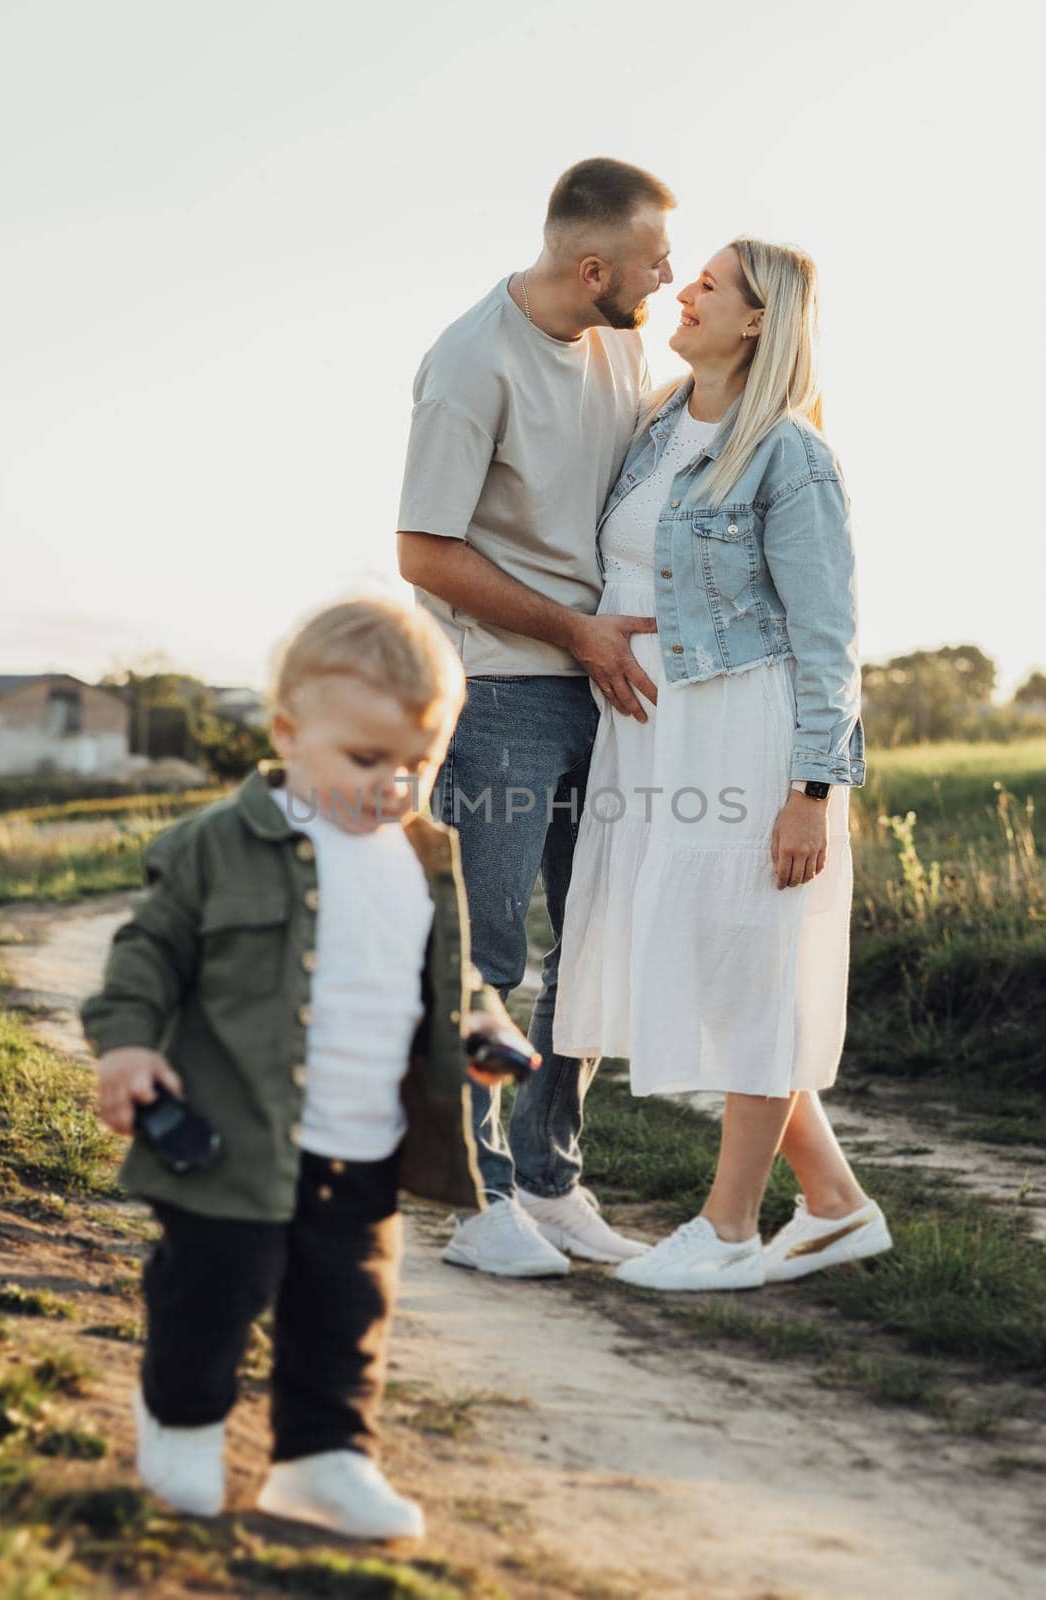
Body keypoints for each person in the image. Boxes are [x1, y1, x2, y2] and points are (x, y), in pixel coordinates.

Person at [80, 597, 537, 1538]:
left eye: (420, 763)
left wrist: (482, 1028)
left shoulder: (419, 860)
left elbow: (451, 980)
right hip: (232, 1140)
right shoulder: (220, 844)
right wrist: (126, 1045)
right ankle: (182, 1424)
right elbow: (147, 951)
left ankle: (323, 1459)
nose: (393, 787)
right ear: (288, 732)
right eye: (365, 760)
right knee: (213, 1291)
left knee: (346, 1308)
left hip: (362, 1142)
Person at [552, 239, 893, 1291]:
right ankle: (834, 1205)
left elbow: (827, 639)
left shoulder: (789, 454)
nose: (684, 291)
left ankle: (731, 1226)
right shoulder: (657, 425)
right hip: (653, 735)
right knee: (707, 968)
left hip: (742, 733)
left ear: (756, 322)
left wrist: (811, 792)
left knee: (751, 976)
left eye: (709, 285)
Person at [397, 156, 676, 1278]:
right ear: (592, 265)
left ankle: (551, 1180)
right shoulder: (469, 364)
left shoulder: (621, 336)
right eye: (655, 257)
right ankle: (477, 1197)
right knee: (491, 950)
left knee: (595, 944)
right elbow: (422, 549)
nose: (669, 272)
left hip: (607, 684)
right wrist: (575, 633)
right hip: (504, 689)